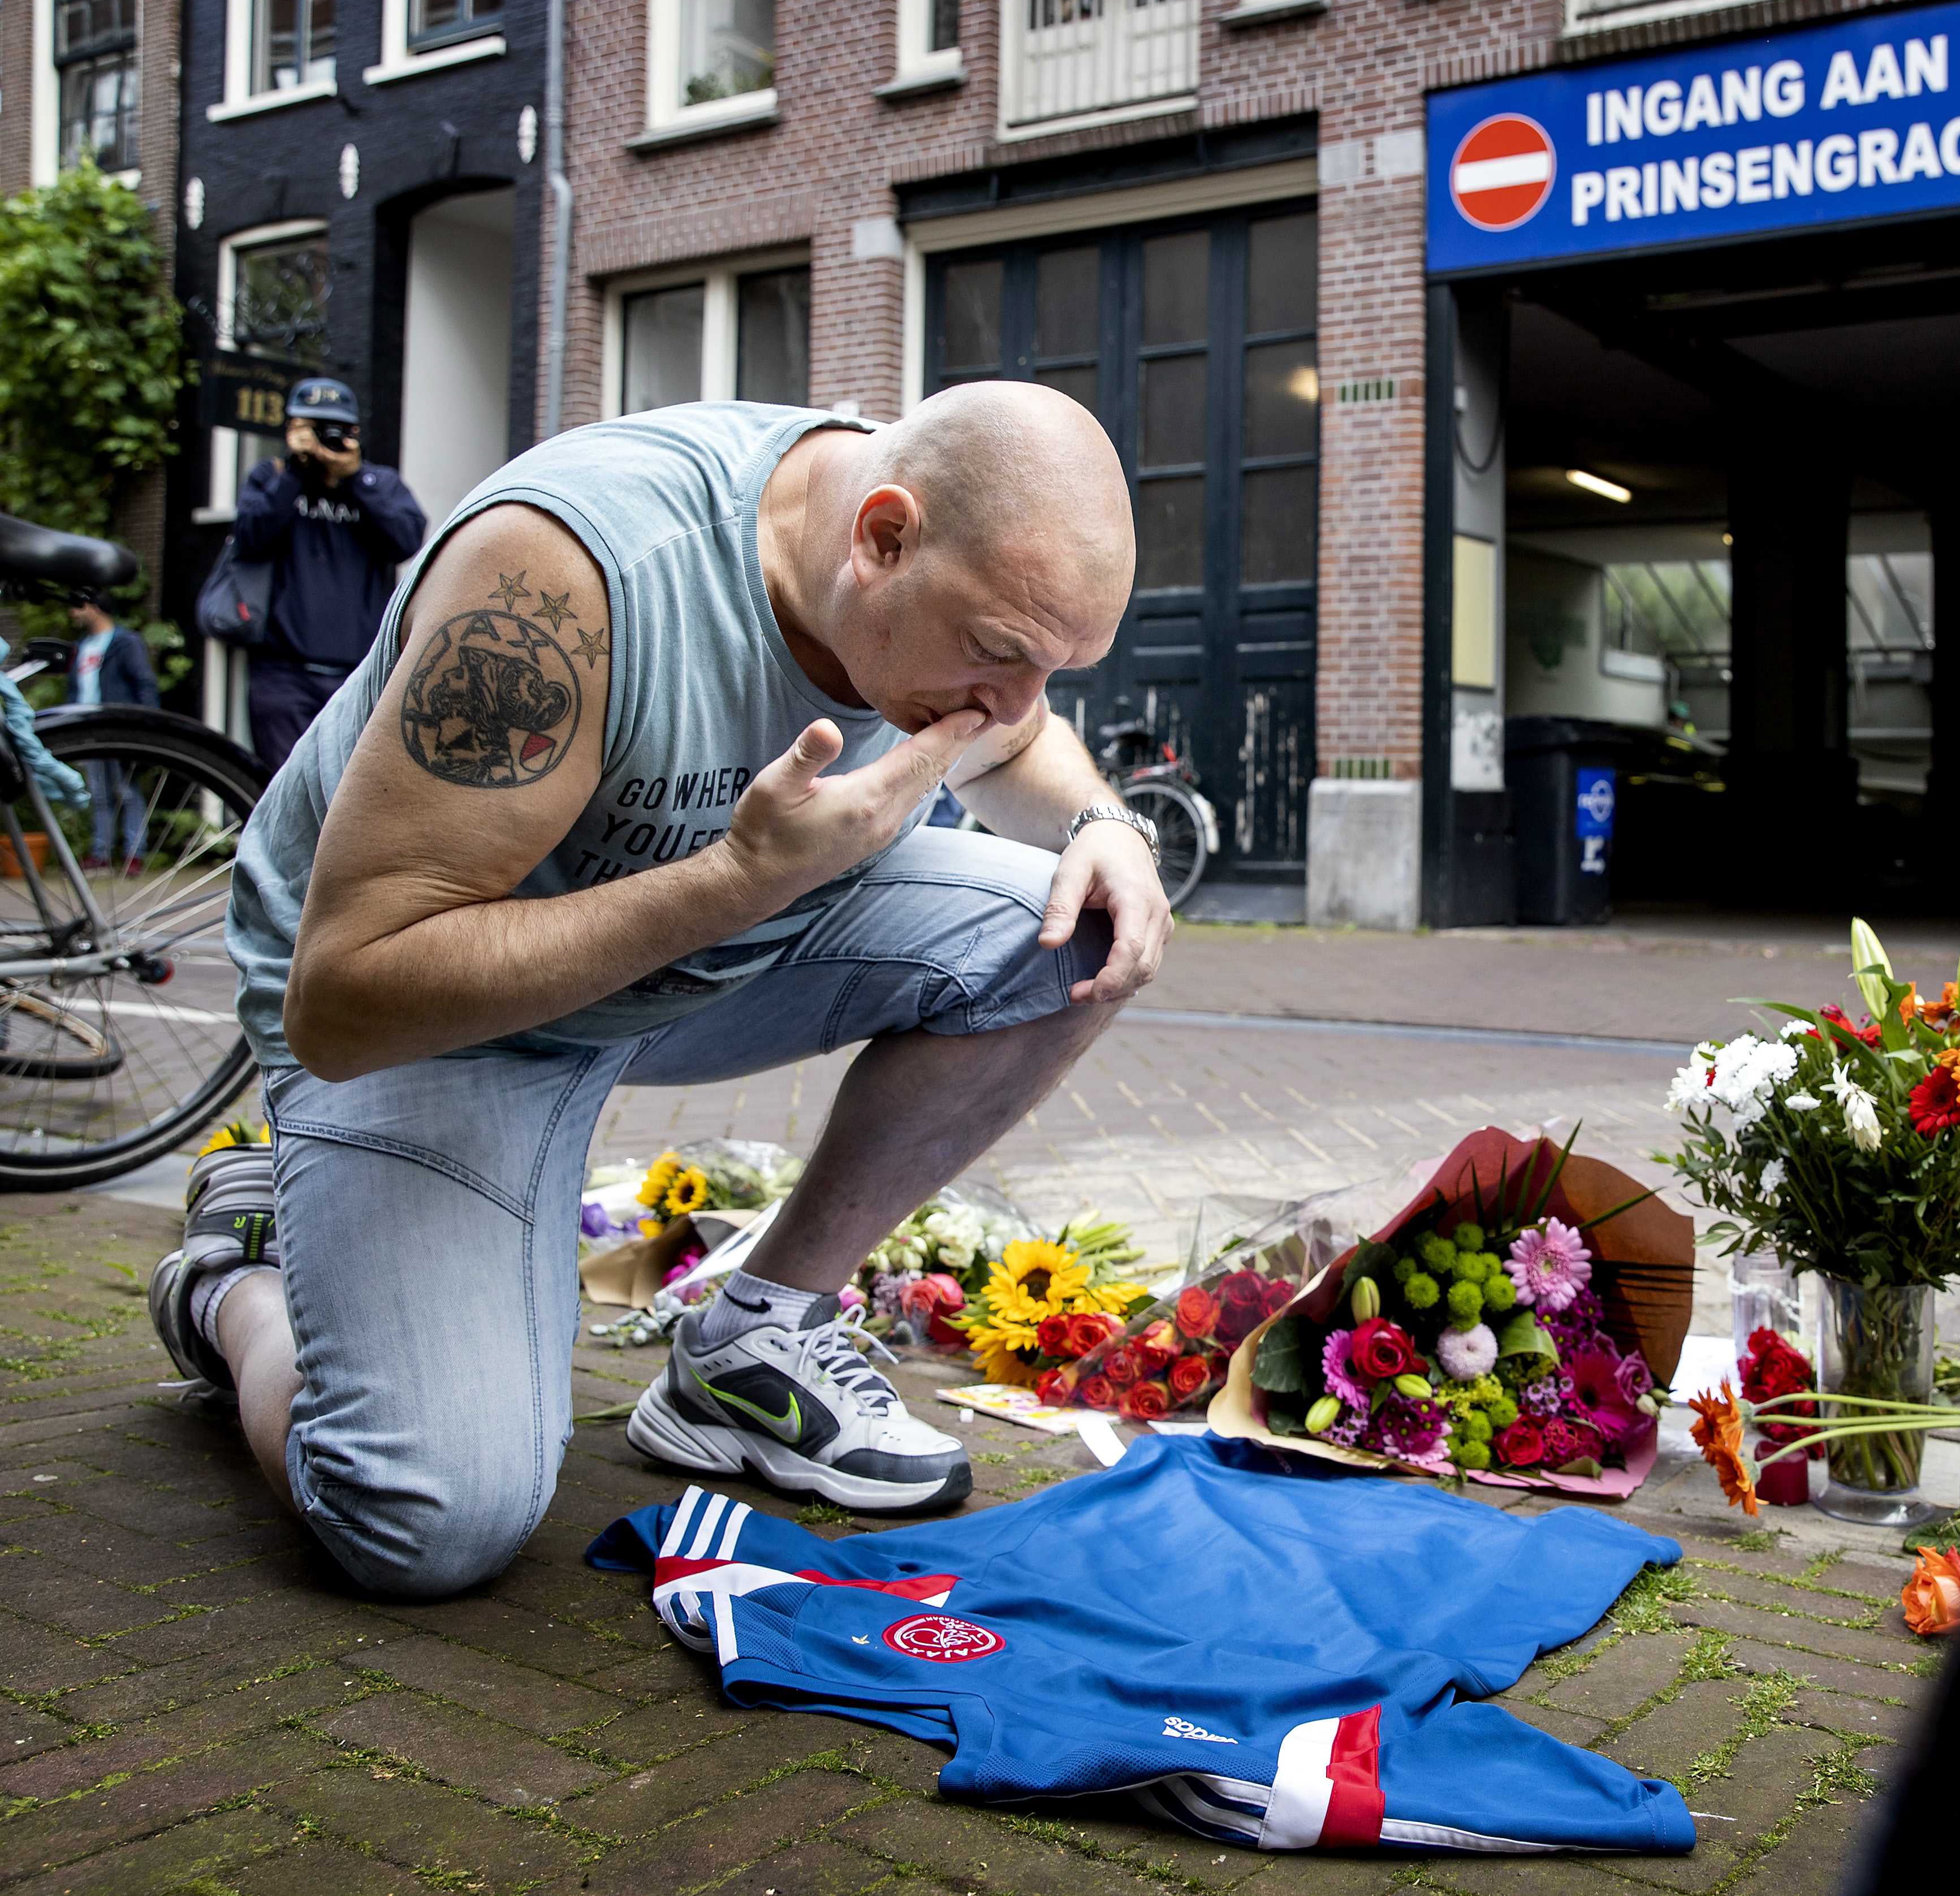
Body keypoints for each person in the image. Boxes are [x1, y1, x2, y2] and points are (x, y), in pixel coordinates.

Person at [146, 383, 1169, 1600]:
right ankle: (230, 1279)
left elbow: (1017, 736)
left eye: (1050, 664)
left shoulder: (941, 576)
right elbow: (346, 996)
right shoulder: (564, 579)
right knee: (422, 1522)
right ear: (881, 536)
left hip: (688, 951)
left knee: (1080, 926)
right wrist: (736, 877)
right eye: (997, 652)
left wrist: (1105, 822)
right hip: (428, 1018)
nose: (1011, 699)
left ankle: (756, 1337)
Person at [228, 377, 429, 773]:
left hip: (357, 674)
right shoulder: (270, 479)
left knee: (350, 794)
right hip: (282, 673)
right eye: (313, 427)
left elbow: (407, 541)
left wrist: (355, 479)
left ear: (354, 433)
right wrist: (293, 475)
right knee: (283, 788)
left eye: (335, 429)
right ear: (292, 429)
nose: (326, 438)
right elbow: (249, 539)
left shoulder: (379, 484)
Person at [66, 589, 158, 873]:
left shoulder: (126, 642)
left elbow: (144, 682)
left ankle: (135, 855)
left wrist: (147, 725)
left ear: (93, 607)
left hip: (119, 728)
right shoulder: (81, 646)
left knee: (127, 791)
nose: (72, 613)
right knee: (100, 795)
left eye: (77, 606)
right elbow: (75, 689)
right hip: (89, 728)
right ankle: (101, 854)